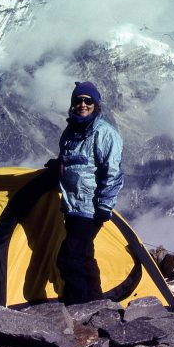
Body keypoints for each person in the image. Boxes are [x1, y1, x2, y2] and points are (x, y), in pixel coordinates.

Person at [50, 81, 124, 304]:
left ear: (96, 104)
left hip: (90, 209)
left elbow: (113, 173)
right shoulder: (71, 132)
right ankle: (95, 305)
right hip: (72, 206)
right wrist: (58, 165)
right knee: (84, 258)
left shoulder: (105, 134)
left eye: (88, 100)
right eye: (78, 100)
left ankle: (78, 309)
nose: (83, 104)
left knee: (70, 258)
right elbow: (72, 163)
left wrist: (104, 206)